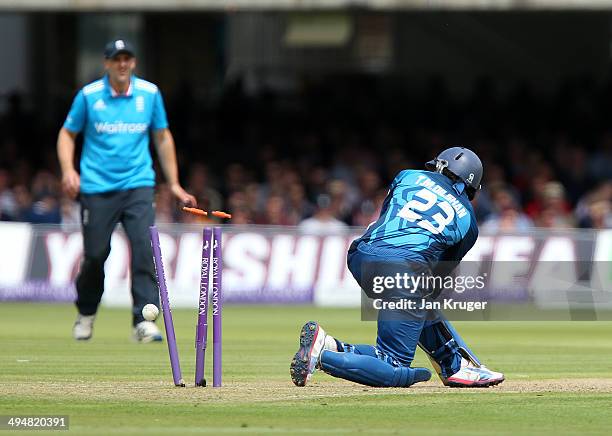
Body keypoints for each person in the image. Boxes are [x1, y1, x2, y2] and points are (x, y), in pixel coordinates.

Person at [290, 147, 505, 388]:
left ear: (440, 166)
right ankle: (321, 357)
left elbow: (386, 218)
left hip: (360, 255)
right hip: (404, 267)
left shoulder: (407, 176)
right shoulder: (468, 221)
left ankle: (330, 346)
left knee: (414, 311)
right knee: (394, 364)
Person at [57, 39, 196, 342]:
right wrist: (69, 170)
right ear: (107, 63)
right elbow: (67, 134)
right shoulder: (89, 96)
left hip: (138, 185)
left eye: (127, 59)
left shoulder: (149, 94)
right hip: (97, 187)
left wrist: (173, 183)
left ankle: (142, 321)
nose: (122, 64)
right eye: (116, 59)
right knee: (95, 255)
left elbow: (162, 137)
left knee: (145, 250)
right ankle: (86, 313)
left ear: (133, 62)